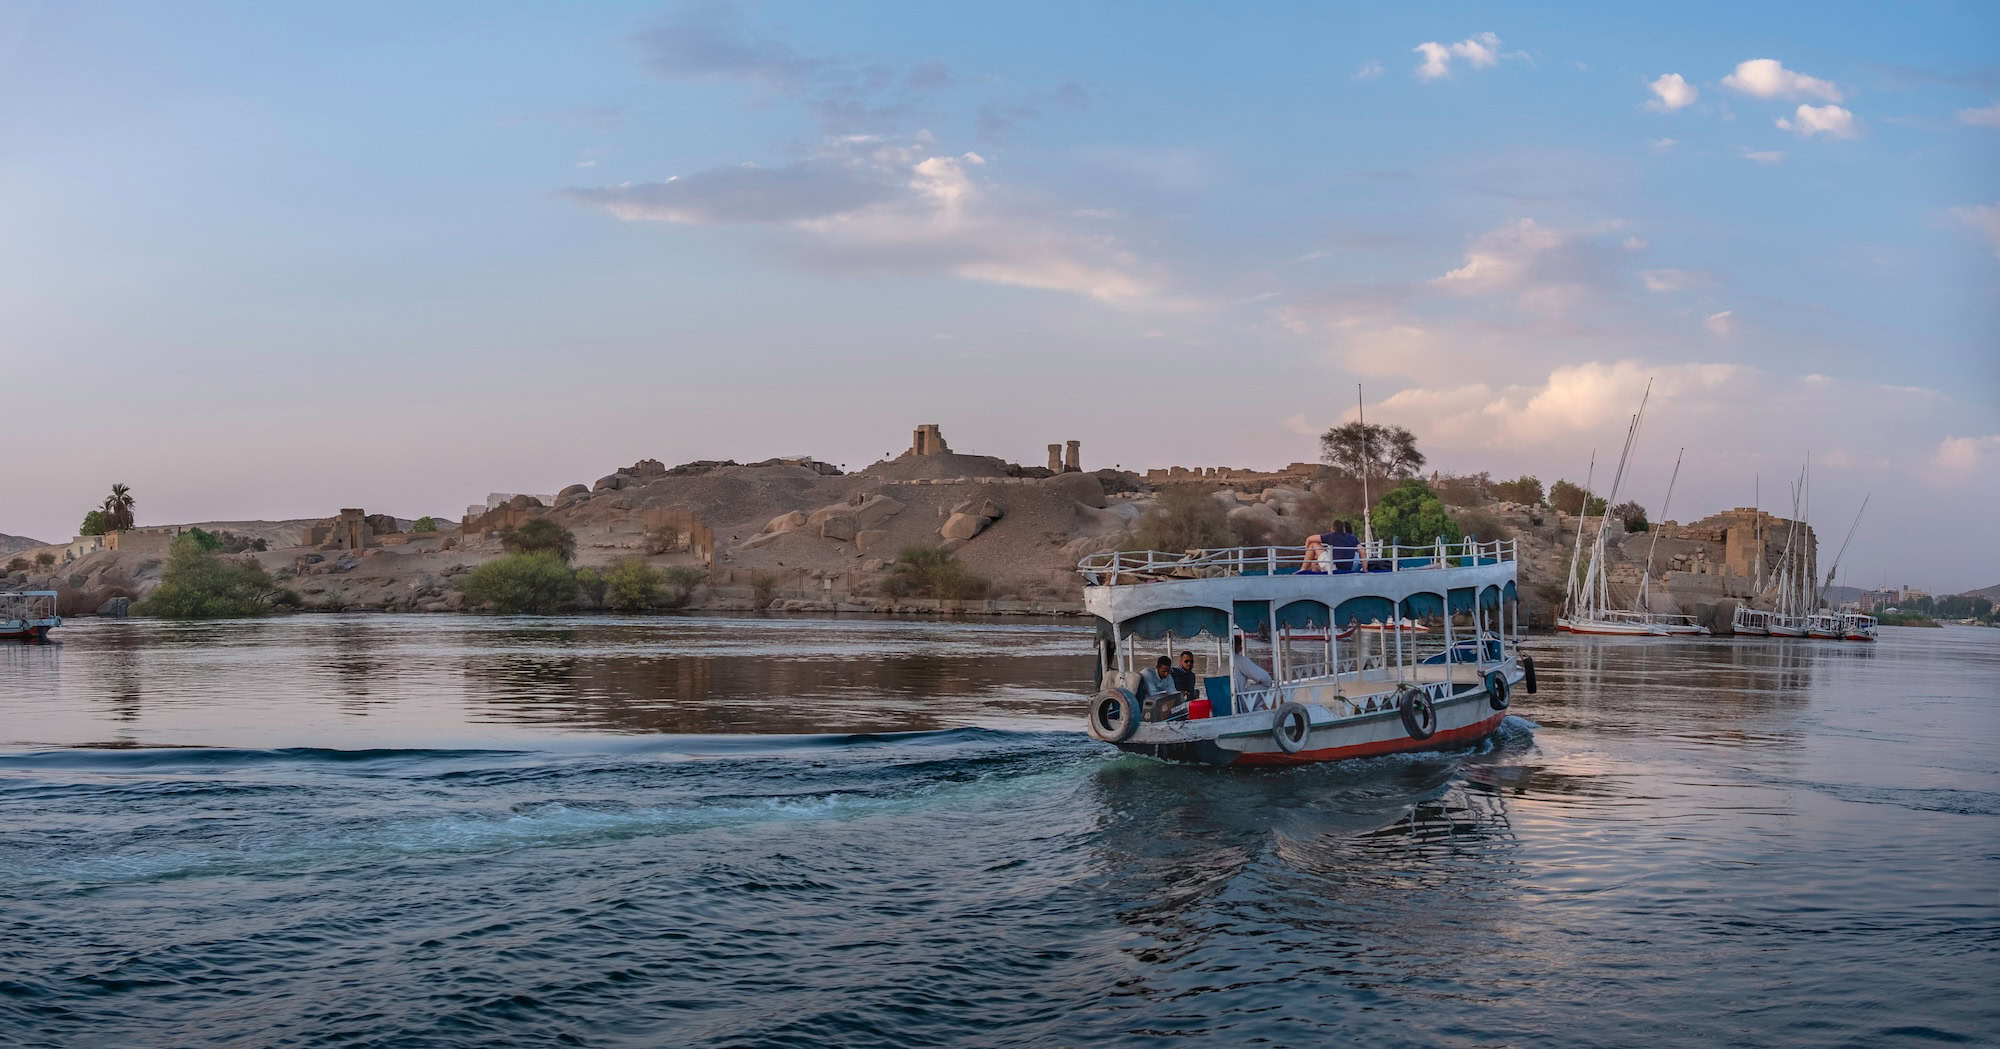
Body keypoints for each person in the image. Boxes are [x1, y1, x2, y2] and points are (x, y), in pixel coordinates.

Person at [1231, 633, 1273, 706]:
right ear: (1240, 648)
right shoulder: (1241, 660)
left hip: (1224, 700)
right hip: (1237, 702)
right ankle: (1257, 708)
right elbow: (1264, 677)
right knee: (1265, 685)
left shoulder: (1224, 662)